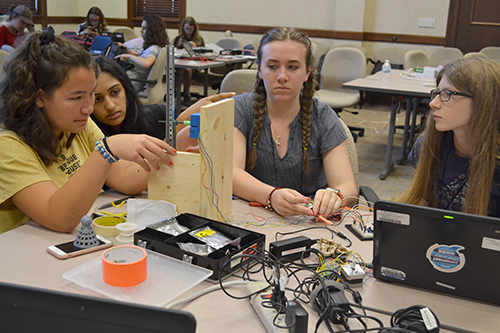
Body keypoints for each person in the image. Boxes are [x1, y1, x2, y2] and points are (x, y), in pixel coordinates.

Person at [0, 28, 176, 234]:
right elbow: (58, 218)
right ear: (39, 97)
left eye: (91, 94)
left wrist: (174, 144)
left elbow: (125, 178)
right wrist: (107, 151)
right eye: (76, 98)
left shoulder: (75, 124)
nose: (89, 108)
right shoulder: (9, 146)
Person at [232, 27, 357, 218]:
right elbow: (231, 174)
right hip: (252, 218)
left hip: (309, 222)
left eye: (292, 67)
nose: (282, 76)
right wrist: (271, 196)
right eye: (272, 66)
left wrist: (335, 195)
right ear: (259, 70)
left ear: (307, 73)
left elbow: (348, 188)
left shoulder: (323, 117)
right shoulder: (240, 109)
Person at [398, 57, 500, 217]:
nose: (433, 103)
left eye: (448, 94)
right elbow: (425, 198)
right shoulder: (428, 143)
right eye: (437, 93)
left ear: (483, 102)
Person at [92, 55, 235, 152]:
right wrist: (180, 121)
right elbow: (133, 176)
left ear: (126, 89)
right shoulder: (89, 138)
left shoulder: (159, 115)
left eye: (115, 92)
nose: (110, 106)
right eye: (98, 99)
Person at [116, 15, 169, 94]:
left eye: (144, 28)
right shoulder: (153, 46)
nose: (141, 31)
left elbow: (146, 63)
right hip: (129, 80)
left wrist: (128, 56)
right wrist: (125, 49)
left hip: (131, 82)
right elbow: (140, 57)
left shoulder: (153, 48)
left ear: (152, 31)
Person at [173, 16, 205, 105]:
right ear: (183, 28)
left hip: (194, 64)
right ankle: (174, 92)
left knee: (187, 70)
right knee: (176, 70)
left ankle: (187, 94)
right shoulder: (179, 39)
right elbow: (175, 51)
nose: (188, 31)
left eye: (191, 29)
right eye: (186, 29)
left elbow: (203, 54)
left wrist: (196, 48)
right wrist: (182, 50)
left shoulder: (199, 39)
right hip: (180, 63)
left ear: (194, 29)